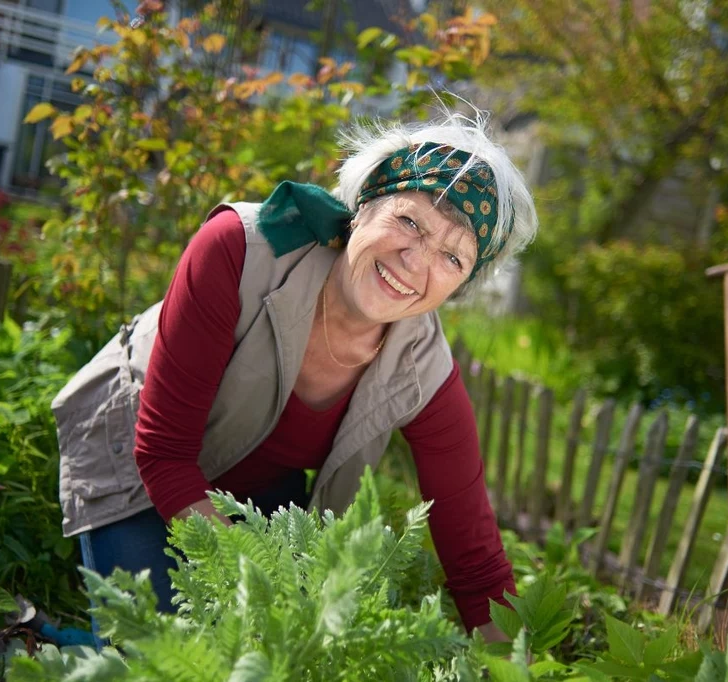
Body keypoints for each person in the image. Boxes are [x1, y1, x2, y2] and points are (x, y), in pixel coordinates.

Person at [50, 107, 538, 640]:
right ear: (364, 206)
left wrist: (512, 667)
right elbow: (163, 454)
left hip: (252, 497)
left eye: (452, 257)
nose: (416, 263)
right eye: (409, 221)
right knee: (161, 655)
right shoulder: (240, 249)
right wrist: (253, 591)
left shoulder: (425, 372)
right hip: (136, 461)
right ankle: (29, 645)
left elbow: (475, 562)